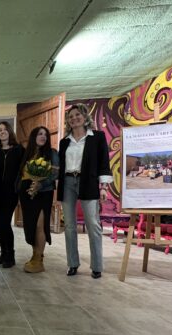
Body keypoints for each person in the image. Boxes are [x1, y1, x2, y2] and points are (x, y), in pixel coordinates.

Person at [57, 103, 113, 279]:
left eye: (77, 115)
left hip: (87, 182)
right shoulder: (64, 142)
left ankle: (97, 266)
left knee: (93, 224)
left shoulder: (97, 137)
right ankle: (72, 263)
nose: (74, 118)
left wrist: (103, 187)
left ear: (85, 117)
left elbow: (104, 163)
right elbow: (60, 167)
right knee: (69, 226)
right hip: (67, 182)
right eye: (70, 116)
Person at [18, 126, 59, 273]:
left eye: (45, 135)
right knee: (30, 225)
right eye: (40, 134)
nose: (43, 137)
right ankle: (35, 255)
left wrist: (40, 184)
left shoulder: (52, 153)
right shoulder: (27, 154)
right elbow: (21, 174)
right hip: (27, 194)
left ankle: (38, 259)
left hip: (43, 194)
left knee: (39, 225)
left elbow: (55, 174)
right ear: (33, 136)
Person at [0, 121, 25, 268]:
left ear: (10, 131)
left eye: (5, 129)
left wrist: (19, 189)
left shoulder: (19, 150)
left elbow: (23, 171)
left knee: (4, 223)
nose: (2, 132)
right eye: (0, 130)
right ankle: (3, 252)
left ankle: (10, 254)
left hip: (11, 193)